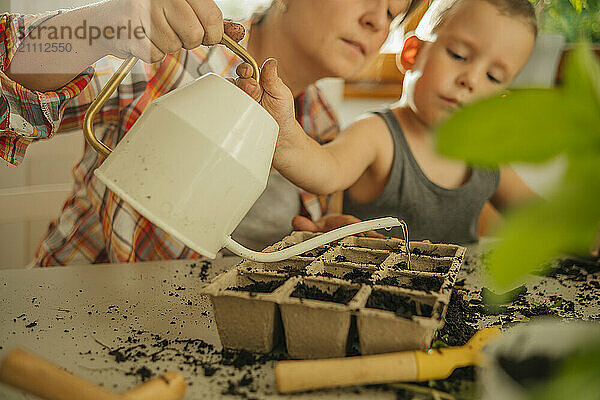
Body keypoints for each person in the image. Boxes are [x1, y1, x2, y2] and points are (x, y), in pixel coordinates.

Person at [0, 0, 421, 265]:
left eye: (391, 14)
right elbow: (11, 82)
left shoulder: (322, 126)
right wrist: (109, 23)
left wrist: (311, 248)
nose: (375, 21)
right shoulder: (174, 53)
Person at [235, 0, 539, 244]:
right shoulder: (376, 133)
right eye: (459, 55)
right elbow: (327, 170)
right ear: (412, 53)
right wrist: (285, 136)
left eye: (493, 77)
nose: (470, 80)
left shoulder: (489, 158)